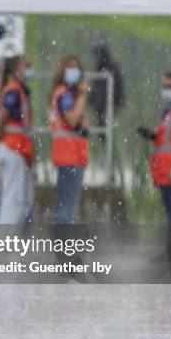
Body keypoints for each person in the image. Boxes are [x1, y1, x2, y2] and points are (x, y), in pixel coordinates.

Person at [0, 55, 35, 227]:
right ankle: (4, 245)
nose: (30, 69)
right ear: (16, 70)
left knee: (19, 201)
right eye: (26, 66)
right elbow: (2, 119)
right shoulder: (13, 90)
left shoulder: (16, 90)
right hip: (12, 148)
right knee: (12, 201)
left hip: (17, 150)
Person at [137, 72, 171, 225]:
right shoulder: (169, 111)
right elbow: (164, 138)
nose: (167, 90)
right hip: (164, 169)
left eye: (170, 86)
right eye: (164, 86)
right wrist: (150, 135)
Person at [48, 55, 90, 224]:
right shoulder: (65, 94)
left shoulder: (63, 94)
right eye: (70, 67)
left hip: (69, 154)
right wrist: (83, 94)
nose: (74, 71)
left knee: (66, 205)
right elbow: (72, 119)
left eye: (76, 68)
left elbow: (75, 123)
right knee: (66, 206)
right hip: (69, 155)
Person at [88, 45, 125, 136]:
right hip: (101, 107)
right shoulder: (99, 68)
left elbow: (117, 89)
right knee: (101, 131)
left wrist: (115, 104)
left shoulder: (111, 68)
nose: (97, 58)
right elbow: (96, 87)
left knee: (106, 132)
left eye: (98, 54)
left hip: (108, 106)